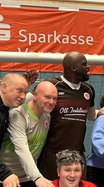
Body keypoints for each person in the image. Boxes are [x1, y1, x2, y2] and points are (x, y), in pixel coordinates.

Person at [37, 51, 96, 180]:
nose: (88, 67)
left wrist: (101, 113)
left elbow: (91, 116)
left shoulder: (88, 89)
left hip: (77, 154)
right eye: (84, 64)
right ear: (73, 68)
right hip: (53, 154)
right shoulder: (53, 85)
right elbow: (30, 105)